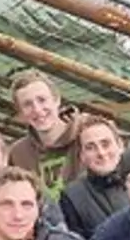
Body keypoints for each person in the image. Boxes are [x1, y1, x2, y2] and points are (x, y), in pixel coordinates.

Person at [5, 69, 82, 200]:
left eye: (42, 100)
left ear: (57, 100)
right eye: (27, 104)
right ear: (21, 113)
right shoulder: (18, 154)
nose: (37, 110)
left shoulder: (87, 134)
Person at [59, 114, 130, 239]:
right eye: (90, 147)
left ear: (120, 145)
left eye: (105, 144)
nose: (101, 153)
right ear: (82, 156)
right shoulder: (73, 196)